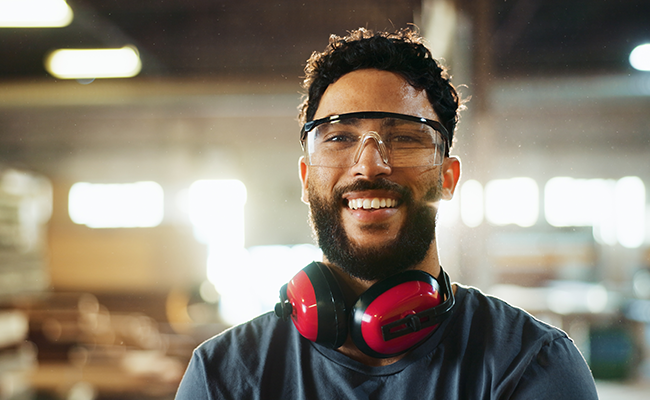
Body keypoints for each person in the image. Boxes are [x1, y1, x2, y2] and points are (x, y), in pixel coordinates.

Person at [175, 28, 598, 399]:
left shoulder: (529, 366)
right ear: (306, 179)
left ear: (447, 179)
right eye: (340, 136)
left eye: (405, 138)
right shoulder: (225, 377)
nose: (370, 164)